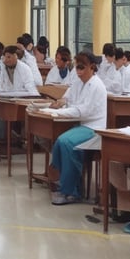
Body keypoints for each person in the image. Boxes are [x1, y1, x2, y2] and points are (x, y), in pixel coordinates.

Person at [47, 51, 107, 205]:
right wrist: (60, 102)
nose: (78, 71)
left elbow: (84, 110)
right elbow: (68, 97)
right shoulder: (78, 82)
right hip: (81, 124)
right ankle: (63, 181)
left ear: (92, 67)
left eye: (82, 68)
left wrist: (59, 112)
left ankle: (72, 192)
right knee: (60, 140)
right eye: (77, 68)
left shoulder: (96, 85)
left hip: (94, 128)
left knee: (67, 143)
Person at [0, 46, 40, 143]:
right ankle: (0, 140)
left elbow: (30, 88)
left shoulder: (25, 69)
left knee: (4, 113)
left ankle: (6, 141)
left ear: (15, 56)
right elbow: (0, 85)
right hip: (9, 99)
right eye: (4, 57)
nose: (6, 60)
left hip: (23, 101)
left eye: (9, 57)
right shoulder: (4, 68)